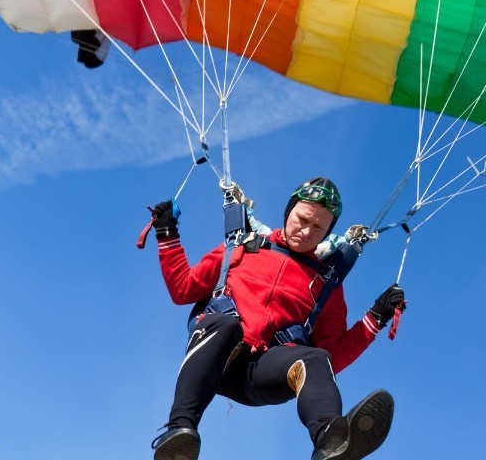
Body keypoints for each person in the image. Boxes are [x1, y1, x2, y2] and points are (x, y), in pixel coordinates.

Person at [149, 177, 407, 460]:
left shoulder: (325, 282)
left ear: (327, 232)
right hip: (215, 355)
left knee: (315, 358)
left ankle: (332, 440)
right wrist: (166, 232)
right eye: (303, 219)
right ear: (289, 212)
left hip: (263, 373)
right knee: (226, 325)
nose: (307, 231)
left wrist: (374, 320)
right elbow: (183, 288)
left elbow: (331, 355)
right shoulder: (241, 249)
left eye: (318, 227)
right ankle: (179, 433)